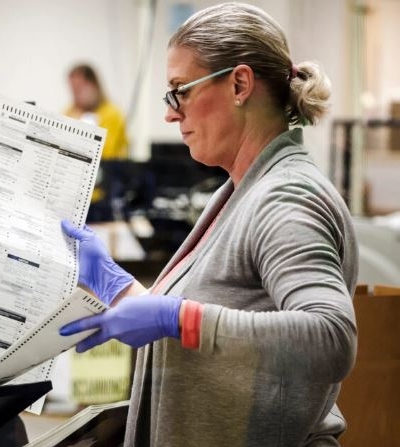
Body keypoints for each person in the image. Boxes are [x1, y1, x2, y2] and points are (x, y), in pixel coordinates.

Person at [59, 3, 358, 446]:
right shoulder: (240, 190)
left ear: (239, 84)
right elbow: (224, 309)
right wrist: (115, 286)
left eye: (181, 90)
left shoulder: (285, 197)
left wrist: (178, 318)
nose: (170, 113)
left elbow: (330, 338)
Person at [66, 64, 129, 160]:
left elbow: (107, 153)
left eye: (79, 89)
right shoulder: (69, 112)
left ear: (94, 85)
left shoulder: (112, 113)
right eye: (73, 90)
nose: (76, 95)